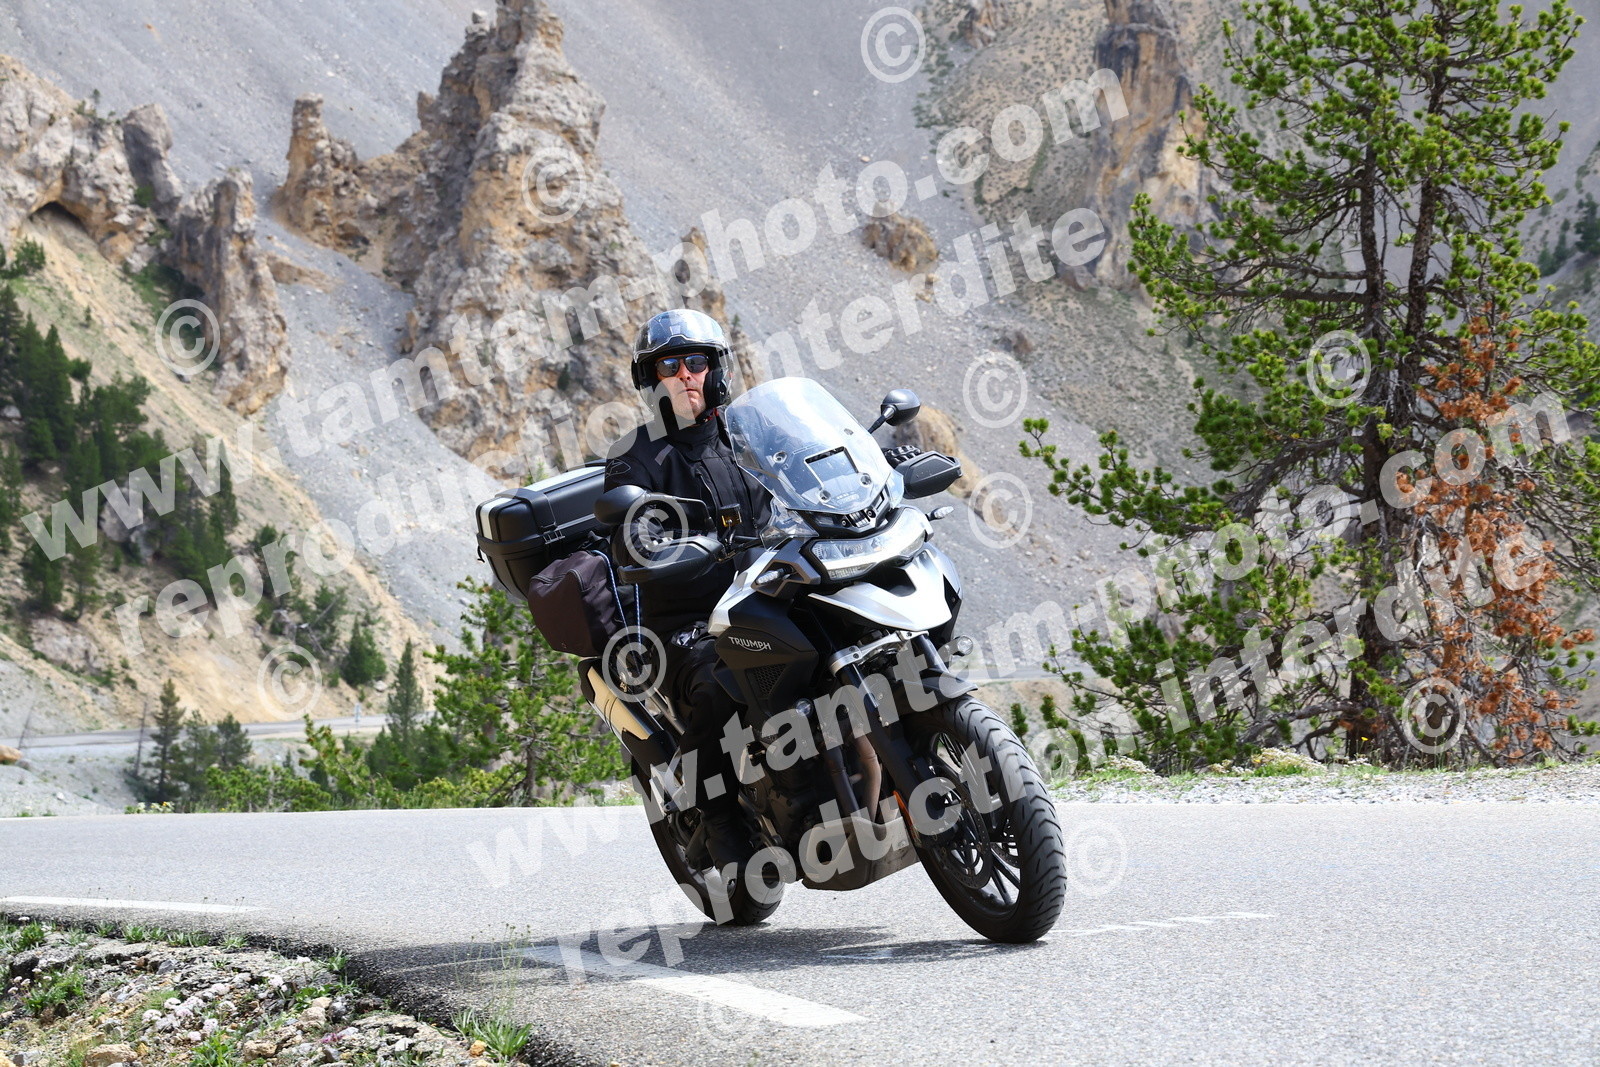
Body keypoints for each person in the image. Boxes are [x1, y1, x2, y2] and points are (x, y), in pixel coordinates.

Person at [603, 308, 769, 869]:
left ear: (715, 369)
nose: (684, 375)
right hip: (687, 619)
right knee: (721, 681)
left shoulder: (748, 435)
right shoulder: (634, 456)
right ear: (651, 380)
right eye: (668, 366)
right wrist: (651, 541)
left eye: (695, 362)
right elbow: (630, 532)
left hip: (769, 593)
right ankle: (715, 815)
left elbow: (808, 473)